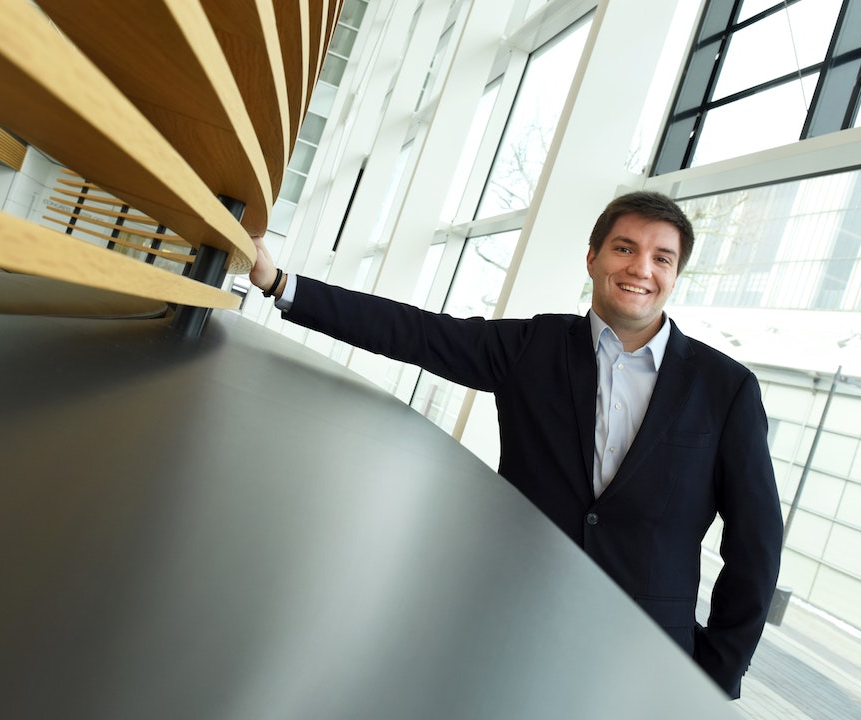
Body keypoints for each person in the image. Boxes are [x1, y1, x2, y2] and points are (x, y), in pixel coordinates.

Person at [249, 191, 783, 698]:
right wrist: (279, 283)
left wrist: (717, 670)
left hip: (642, 656)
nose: (641, 268)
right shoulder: (533, 346)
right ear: (593, 258)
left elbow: (755, 542)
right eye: (625, 248)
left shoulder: (725, 388)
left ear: (674, 275)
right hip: (510, 621)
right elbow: (415, 333)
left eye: (661, 258)